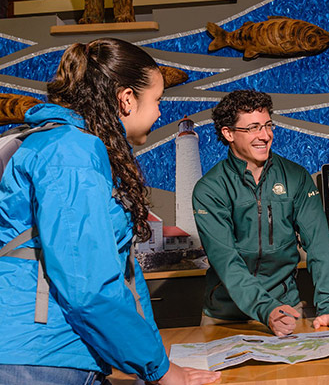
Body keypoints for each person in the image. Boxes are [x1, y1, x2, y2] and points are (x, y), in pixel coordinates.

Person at [0, 38, 220, 385]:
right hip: (40, 359)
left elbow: (125, 275)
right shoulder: (72, 151)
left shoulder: (65, 144)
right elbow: (89, 285)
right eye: (158, 100)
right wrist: (159, 370)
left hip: (45, 352)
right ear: (127, 98)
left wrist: (155, 361)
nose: (161, 112)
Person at [192, 90, 329, 336]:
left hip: (286, 310)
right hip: (225, 316)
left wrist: (328, 305)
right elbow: (226, 261)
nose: (265, 135)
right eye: (253, 128)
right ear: (228, 133)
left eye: (268, 125)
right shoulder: (210, 189)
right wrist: (265, 308)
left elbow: (320, 244)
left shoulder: (296, 177)